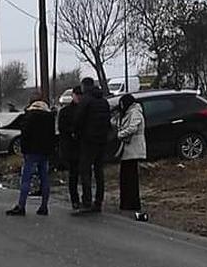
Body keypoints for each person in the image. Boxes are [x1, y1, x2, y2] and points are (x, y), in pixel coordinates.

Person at [7, 98, 56, 216]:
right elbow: (52, 136)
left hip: (31, 152)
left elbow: (24, 135)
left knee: (26, 178)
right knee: (44, 178)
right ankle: (44, 206)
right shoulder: (49, 118)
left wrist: (24, 150)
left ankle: (21, 206)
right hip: (44, 152)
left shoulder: (29, 117)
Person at [73, 81, 112, 214]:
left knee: (85, 171)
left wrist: (76, 133)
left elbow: (78, 120)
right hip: (102, 141)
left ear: (84, 87)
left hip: (88, 141)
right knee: (99, 171)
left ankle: (87, 201)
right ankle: (98, 202)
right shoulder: (104, 101)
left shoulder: (86, 101)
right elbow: (108, 121)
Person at [116, 93, 147, 211]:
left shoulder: (135, 112)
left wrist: (120, 134)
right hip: (128, 149)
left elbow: (133, 128)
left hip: (134, 148)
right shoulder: (129, 112)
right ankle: (126, 202)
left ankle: (132, 203)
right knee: (126, 176)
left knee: (131, 177)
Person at [56, 86, 84, 208]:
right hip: (72, 147)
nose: (79, 97)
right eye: (77, 95)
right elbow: (62, 129)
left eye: (80, 95)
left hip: (81, 146)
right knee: (74, 174)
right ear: (73, 95)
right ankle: (75, 200)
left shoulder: (85, 109)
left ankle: (82, 199)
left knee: (82, 175)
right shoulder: (65, 111)